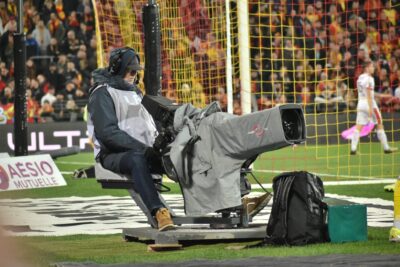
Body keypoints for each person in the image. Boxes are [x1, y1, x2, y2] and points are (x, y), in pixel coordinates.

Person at [87, 47, 175, 231]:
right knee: (137, 159)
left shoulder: (135, 92)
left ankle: (224, 202)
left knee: (181, 154)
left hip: (145, 150)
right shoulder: (102, 93)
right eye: (131, 70)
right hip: (113, 154)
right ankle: (158, 212)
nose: (134, 75)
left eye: (136, 71)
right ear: (117, 68)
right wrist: (144, 149)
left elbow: (150, 124)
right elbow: (108, 134)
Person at [350, 60, 397, 155]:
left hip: (361, 103)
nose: (373, 68)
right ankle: (386, 148)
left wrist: (383, 96)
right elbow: (369, 93)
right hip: (369, 103)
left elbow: (370, 93)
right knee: (379, 123)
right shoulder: (369, 79)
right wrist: (371, 108)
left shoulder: (360, 77)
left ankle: (353, 149)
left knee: (358, 126)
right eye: (372, 66)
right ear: (367, 68)